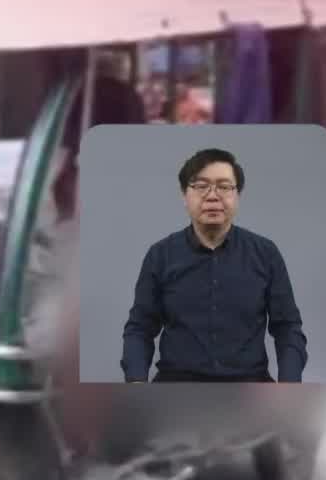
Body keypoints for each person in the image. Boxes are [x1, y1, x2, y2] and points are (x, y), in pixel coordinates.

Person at [120, 148, 308, 383]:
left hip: (250, 389)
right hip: (176, 389)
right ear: (184, 195)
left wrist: (289, 386)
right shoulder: (160, 255)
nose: (212, 196)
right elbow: (140, 329)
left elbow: (288, 328)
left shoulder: (265, 254)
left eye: (224, 186)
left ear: (237, 195)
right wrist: (136, 383)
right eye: (200, 186)